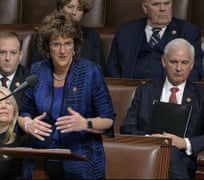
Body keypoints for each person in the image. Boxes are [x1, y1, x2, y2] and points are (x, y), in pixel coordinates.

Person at [16, 11, 115, 179]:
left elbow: (108, 119)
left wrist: (85, 123)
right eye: (56, 44)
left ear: (75, 46)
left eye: (68, 43)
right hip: (42, 158)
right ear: (47, 47)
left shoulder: (90, 72)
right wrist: (27, 124)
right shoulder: (38, 71)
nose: (63, 51)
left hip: (82, 159)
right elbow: (24, 112)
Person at [120, 38, 204, 179]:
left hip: (184, 161)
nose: (178, 68)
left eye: (184, 63)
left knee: (170, 151)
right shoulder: (145, 91)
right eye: (173, 62)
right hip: (147, 156)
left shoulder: (201, 95)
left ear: (192, 64)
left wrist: (185, 143)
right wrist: (151, 140)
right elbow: (127, 127)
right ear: (164, 61)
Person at [106, 0, 203, 82]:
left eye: (167, 3)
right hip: (131, 93)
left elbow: (195, 72)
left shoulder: (188, 32)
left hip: (168, 94)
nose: (163, 9)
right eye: (156, 4)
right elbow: (112, 69)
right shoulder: (126, 31)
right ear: (145, 7)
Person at [30, 0, 105, 72]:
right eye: (70, 7)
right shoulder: (43, 34)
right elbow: (36, 70)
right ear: (60, 7)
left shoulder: (93, 36)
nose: (74, 12)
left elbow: (98, 71)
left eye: (79, 9)